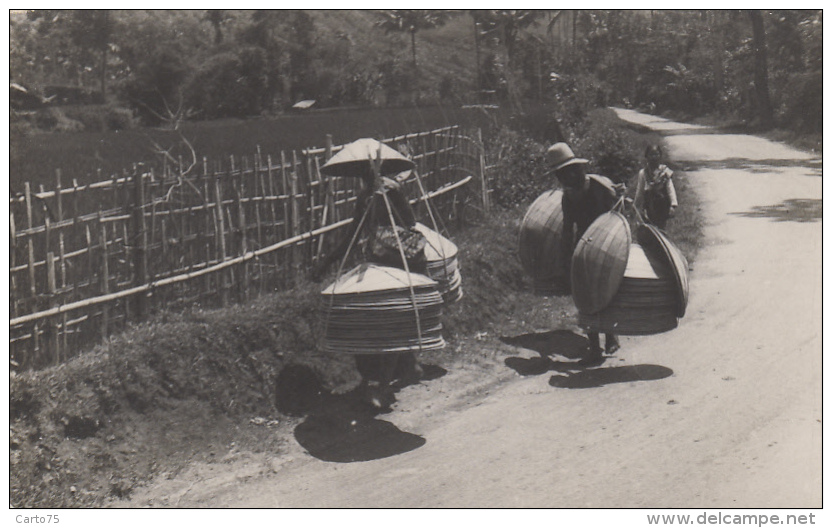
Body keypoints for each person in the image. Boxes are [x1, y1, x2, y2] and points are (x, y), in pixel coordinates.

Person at [312, 163, 426, 410]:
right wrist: (328, 263)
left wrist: (386, 218)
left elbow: (410, 223)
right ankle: (404, 367)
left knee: (391, 323)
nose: (365, 177)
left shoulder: (390, 191)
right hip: (379, 261)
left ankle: (382, 385)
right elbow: (353, 235)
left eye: (368, 172)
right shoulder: (365, 197)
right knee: (376, 321)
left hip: (399, 262)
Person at [546, 142, 622, 366]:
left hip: (607, 243)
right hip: (584, 246)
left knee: (607, 291)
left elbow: (617, 216)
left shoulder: (600, 188)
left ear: (576, 170)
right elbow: (568, 228)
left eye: (568, 173)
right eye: (561, 176)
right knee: (584, 296)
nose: (565, 180)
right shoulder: (568, 197)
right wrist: (566, 259)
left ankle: (610, 335)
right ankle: (594, 347)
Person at [634, 144, 677, 229]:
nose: (654, 157)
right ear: (646, 156)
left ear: (660, 156)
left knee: (661, 227)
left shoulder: (664, 172)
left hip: (662, 204)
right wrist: (636, 205)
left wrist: (673, 205)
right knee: (649, 226)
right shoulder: (643, 173)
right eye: (651, 155)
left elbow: (670, 189)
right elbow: (640, 190)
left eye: (656, 154)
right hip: (649, 204)